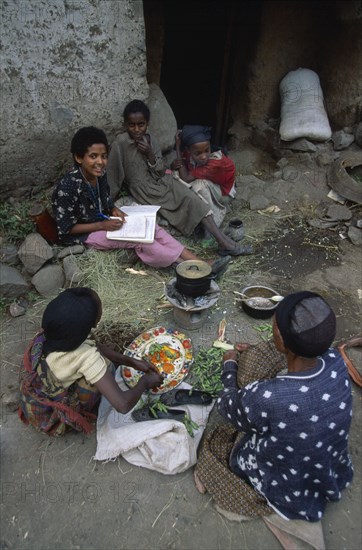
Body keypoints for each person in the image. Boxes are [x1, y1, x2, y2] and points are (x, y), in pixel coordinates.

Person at [194, 291, 354, 522]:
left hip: (283, 481)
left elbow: (226, 406)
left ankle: (258, 489)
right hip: (329, 466)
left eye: (275, 324)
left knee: (213, 446)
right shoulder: (337, 361)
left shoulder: (268, 397)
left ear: (281, 339)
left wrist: (229, 366)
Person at [52, 127, 230, 273]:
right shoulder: (68, 187)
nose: (100, 162)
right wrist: (102, 226)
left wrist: (115, 211)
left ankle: (198, 262)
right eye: (93, 156)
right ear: (78, 157)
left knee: (151, 227)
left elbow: (105, 202)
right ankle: (190, 269)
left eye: (104, 156)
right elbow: (66, 229)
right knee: (140, 239)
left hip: (102, 221)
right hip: (85, 235)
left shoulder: (99, 175)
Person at [107, 100, 253, 257]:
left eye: (141, 125)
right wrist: (109, 202)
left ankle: (224, 242)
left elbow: (160, 171)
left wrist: (149, 153)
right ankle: (226, 243)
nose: (136, 129)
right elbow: (113, 173)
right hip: (145, 190)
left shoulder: (151, 139)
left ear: (147, 124)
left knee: (194, 200)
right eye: (131, 125)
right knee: (180, 202)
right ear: (125, 124)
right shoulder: (120, 143)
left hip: (163, 181)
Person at [18, 287, 163, 436]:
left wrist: (132, 362)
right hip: (49, 413)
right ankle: (85, 410)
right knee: (107, 366)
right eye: (98, 310)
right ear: (93, 322)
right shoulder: (85, 356)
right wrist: (145, 382)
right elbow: (123, 405)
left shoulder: (59, 332)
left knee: (103, 363)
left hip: (42, 387)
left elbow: (94, 344)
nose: (100, 311)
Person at [171, 125, 236, 227]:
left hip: (224, 193)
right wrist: (176, 163)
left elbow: (186, 178)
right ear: (189, 151)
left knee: (199, 185)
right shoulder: (189, 155)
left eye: (207, 150)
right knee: (175, 174)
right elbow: (183, 167)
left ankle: (213, 223)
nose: (203, 156)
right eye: (198, 153)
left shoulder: (215, 163)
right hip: (213, 187)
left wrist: (178, 149)